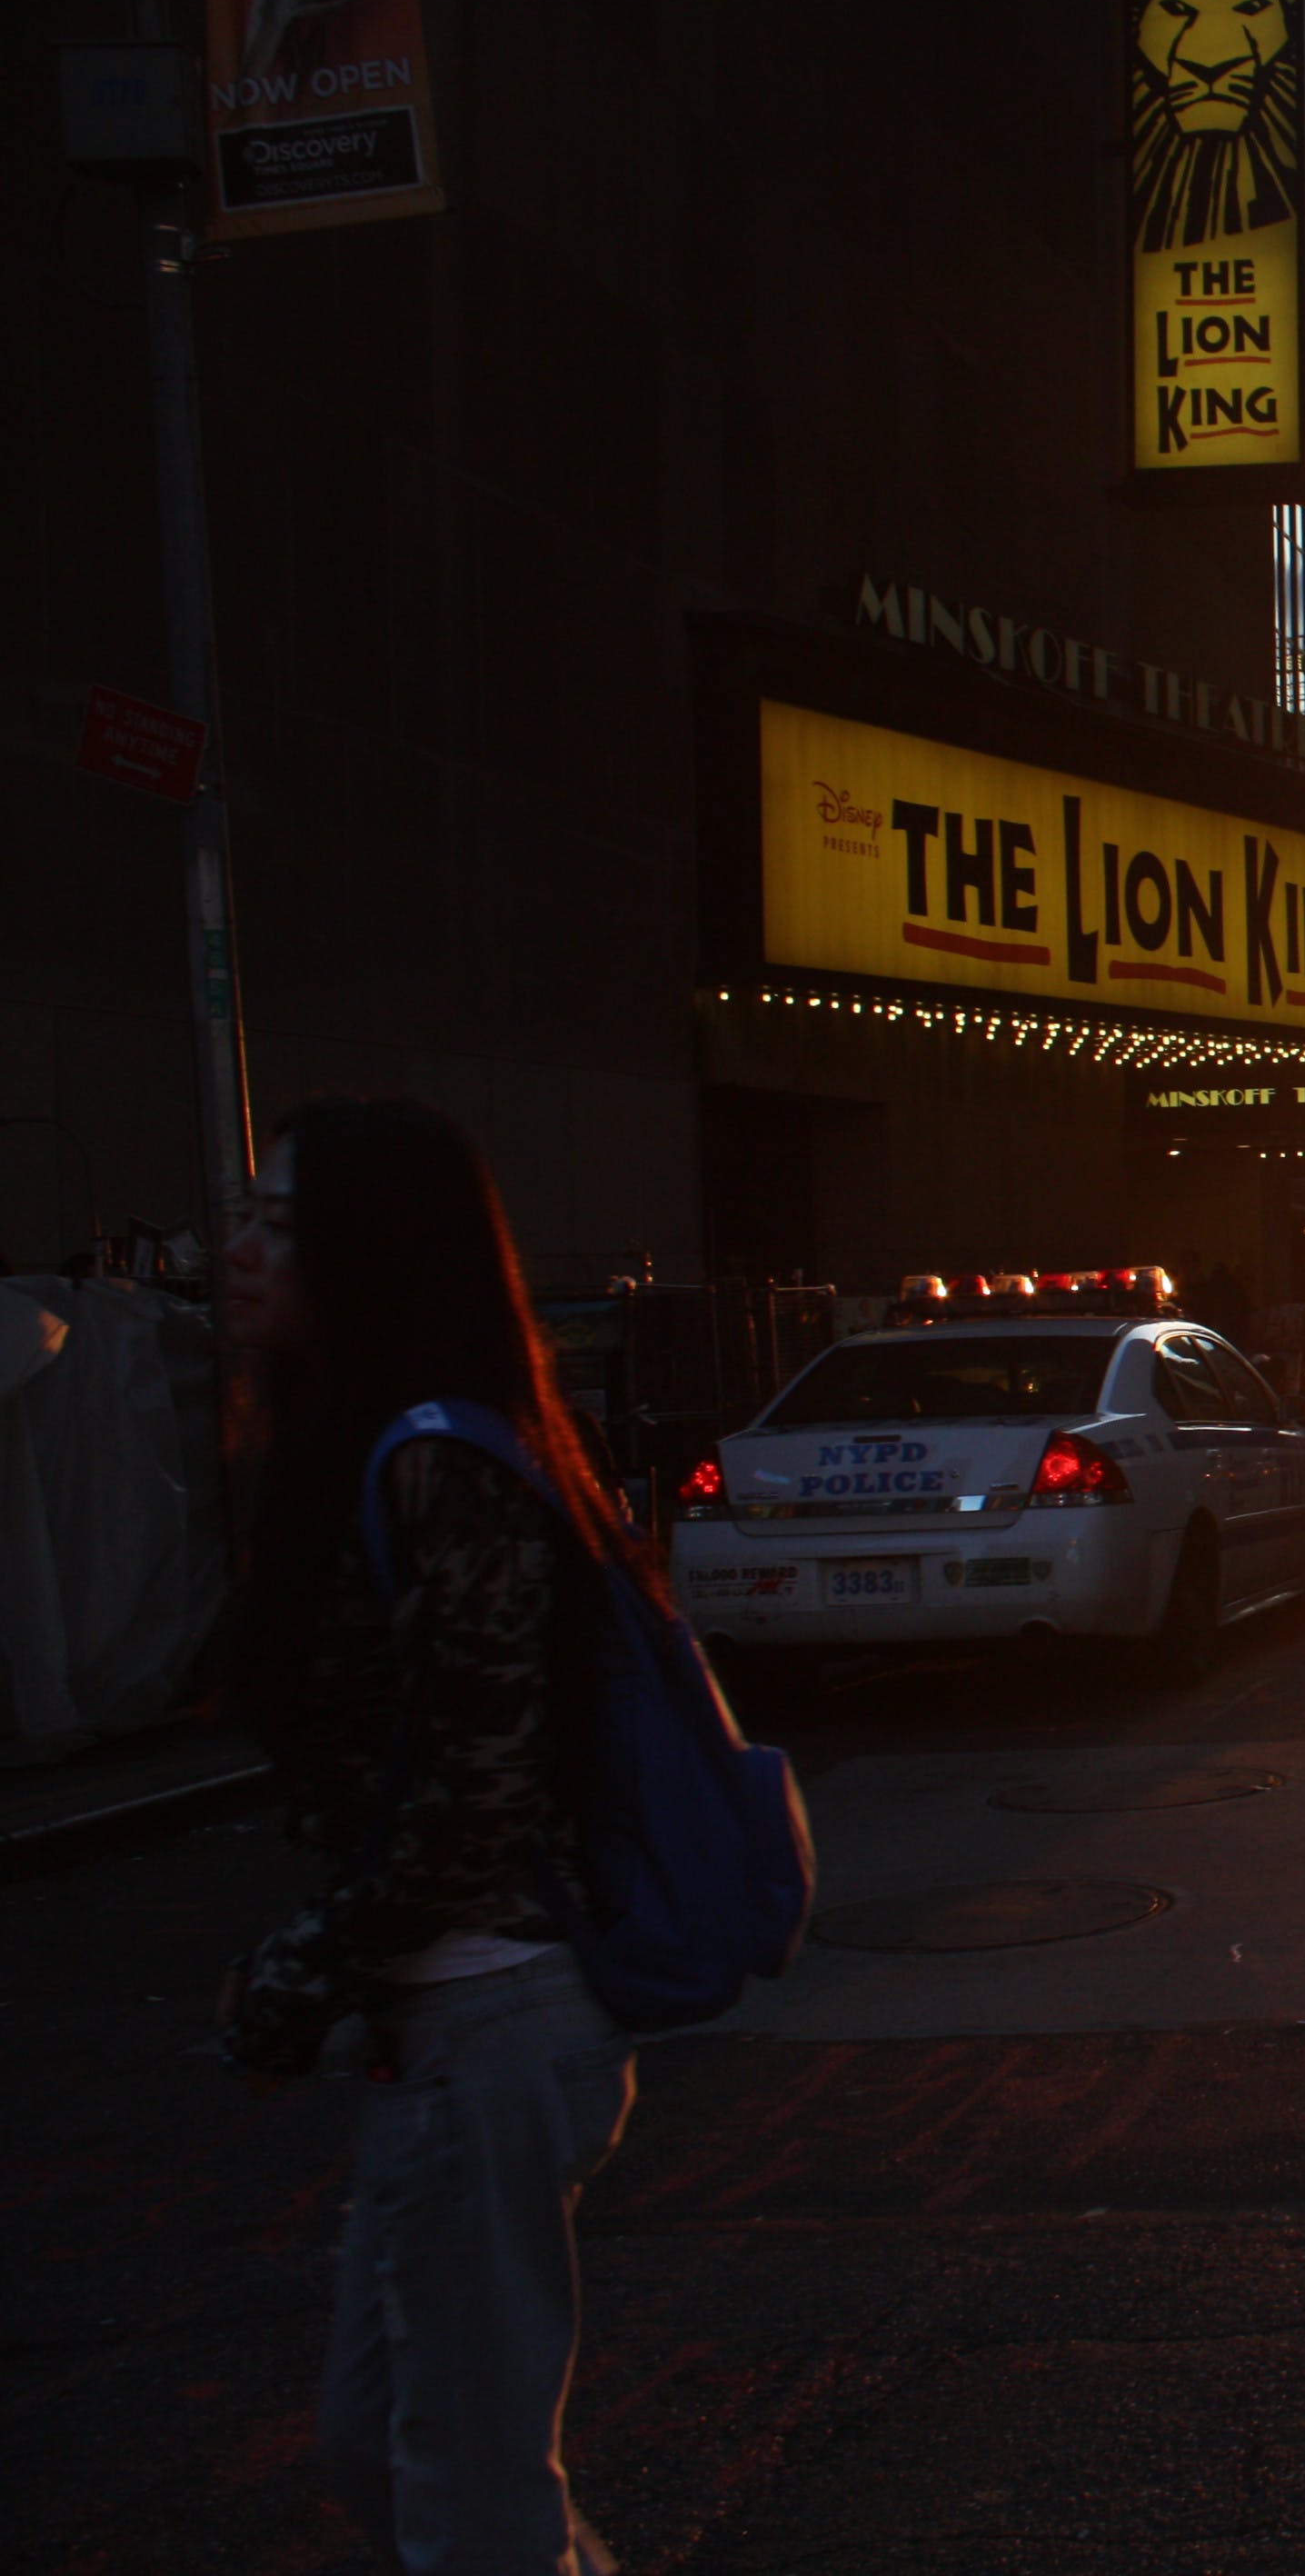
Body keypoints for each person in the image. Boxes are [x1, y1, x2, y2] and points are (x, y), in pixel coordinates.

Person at [218, 1099, 644, 2574]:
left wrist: (311, 1956)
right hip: (449, 2021)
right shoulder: (381, 1445)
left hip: (491, 2014)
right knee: (394, 2452)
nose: (240, 1250)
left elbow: (475, 1784)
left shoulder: (441, 1460)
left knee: (465, 2495)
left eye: (280, 1223)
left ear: (367, 1249)